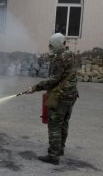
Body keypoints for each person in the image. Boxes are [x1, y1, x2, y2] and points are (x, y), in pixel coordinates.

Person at [25, 33, 79, 165]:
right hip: (72, 94)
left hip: (61, 95)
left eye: (51, 45)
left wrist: (34, 88)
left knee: (55, 124)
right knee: (64, 122)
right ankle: (60, 148)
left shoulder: (60, 58)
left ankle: (53, 156)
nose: (49, 47)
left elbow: (53, 79)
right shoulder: (70, 54)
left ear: (55, 45)